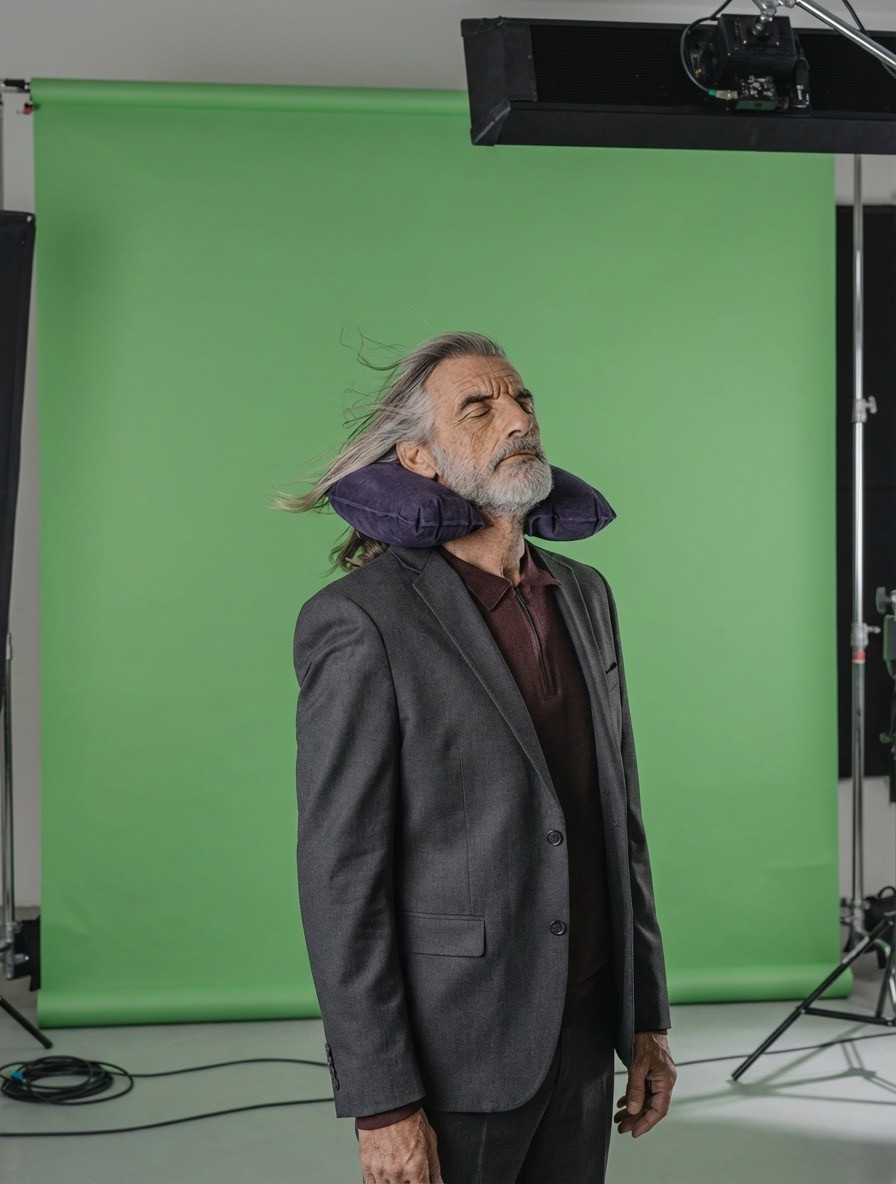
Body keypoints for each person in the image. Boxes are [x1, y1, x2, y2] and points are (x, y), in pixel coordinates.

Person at [285, 331, 677, 1183]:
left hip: (584, 1031)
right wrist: (382, 1101)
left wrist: (645, 1018)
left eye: (522, 399)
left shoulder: (586, 595)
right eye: (479, 407)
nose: (517, 419)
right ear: (418, 459)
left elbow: (620, 822)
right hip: (459, 1049)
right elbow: (341, 877)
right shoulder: (361, 621)